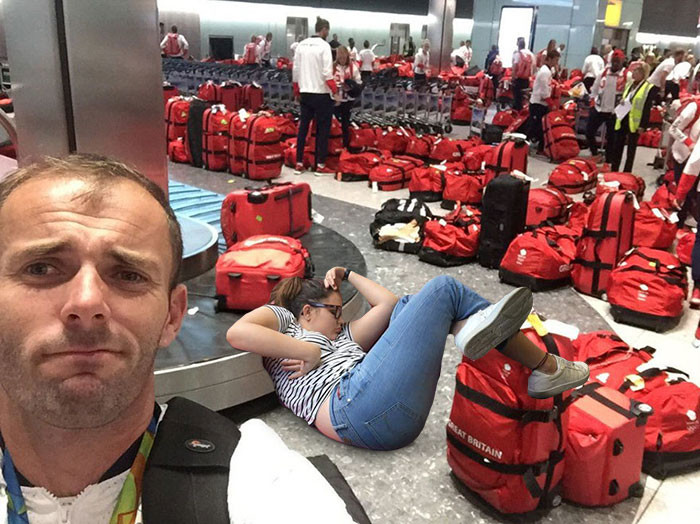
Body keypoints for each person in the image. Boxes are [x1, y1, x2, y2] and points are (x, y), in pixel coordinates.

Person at [0, 155, 360, 523]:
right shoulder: (285, 320)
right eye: (41, 268)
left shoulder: (266, 488)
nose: (87, 302)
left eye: (128, 275)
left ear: (172, 315)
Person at [227, 270, 589, 451]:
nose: (340, 319)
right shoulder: (288, 326)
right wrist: (310, 351)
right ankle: (541, 364)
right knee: (444, 289)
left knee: (407, 304)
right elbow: (238, 333)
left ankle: (472, 330)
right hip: (350, 407)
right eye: (334, 311)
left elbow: (388, 303)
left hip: (385, 415)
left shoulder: (345, 336)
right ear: (306, 311)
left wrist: (347, 273)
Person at [292, 17, 338, 176]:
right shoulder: (324, 46)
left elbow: (295, 71)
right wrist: (335, 91)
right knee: (322, 130)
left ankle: (299, 162)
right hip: (322, 94)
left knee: (303, 129)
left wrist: (296, 91)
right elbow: (327, 73)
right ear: (324, 30)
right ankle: (320, 164)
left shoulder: (301, 45)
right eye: (327, 31)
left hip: (305, 93)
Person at [672, 103, 700, 311]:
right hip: (682, 154)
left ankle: (698, 288)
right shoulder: (694, 107)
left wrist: (680, 194)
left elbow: (694, 165)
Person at [610, 62, 653, 172]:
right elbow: (626, 97)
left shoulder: (647, 87)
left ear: (642, 74)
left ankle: (627, 172)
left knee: (631, 149)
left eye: (636, 71)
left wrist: (643, 125)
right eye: (633, 71)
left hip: (635, 122)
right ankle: (614, 169)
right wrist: (622, 101)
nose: (633, 73)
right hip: (623, 117)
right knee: (617, 145)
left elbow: (646, 108)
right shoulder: (629, 84)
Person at [587, 49, 627, 161]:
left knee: (612, 137)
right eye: (614, 61)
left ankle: (609, 159)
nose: (615, 64)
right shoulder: (603, 73)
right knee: (589, 131)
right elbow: (595, 88)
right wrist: (592, 101)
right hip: (599, 108)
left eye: (618, 61)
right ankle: (595, 153)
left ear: (622, 62)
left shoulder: (626, 75)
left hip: (614, 111)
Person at [527, 49, 560, 153]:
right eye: (555, 60)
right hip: (537, 103)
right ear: (549, 59)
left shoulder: (548, 71)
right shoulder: (544, 72)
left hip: (542, 103)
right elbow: (544, 91)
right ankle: (525, 145)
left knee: (542, 127)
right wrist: (551, 104)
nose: (556, 62)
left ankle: (541, 148)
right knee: (534, 126)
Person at [332, 46, 362, 149]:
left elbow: (359, 82)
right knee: (335, 123)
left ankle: (345, 145)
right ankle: (334, 144)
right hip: (335, 99)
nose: (342, 59)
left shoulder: (353, 67)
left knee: (345, 123)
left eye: (344, 57)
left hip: (348, 99)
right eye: (340, 57)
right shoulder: (332, 67)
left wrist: (351, 85)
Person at [512, 37, 534, 111]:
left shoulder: (518, 54)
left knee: (517, 99)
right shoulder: (530, 54)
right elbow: (534, 67)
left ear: (518, 45)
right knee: (524, 98)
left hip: (518, 80)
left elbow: (514, 67)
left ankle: (518, 113)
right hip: (527, 80)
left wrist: (513, 78)